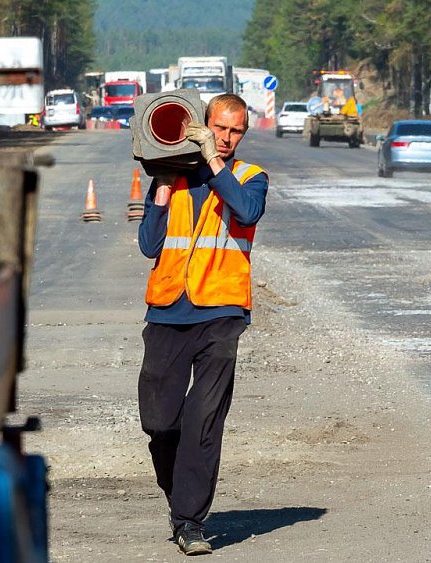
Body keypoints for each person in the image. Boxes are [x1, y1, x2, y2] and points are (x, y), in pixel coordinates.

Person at [136, 93, 268, 556]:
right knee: (159, 421)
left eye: (235, 132)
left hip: (222, 313)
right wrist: (162, 190)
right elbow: (149, 246)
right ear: (200, 124)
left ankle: (190, 521)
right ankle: (179, 494)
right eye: (219, 129)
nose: (227, 139)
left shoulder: (249, 178)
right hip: (168, 310)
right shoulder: (171, 175)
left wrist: (212, 158)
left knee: (203, 420)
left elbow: (247, 212)